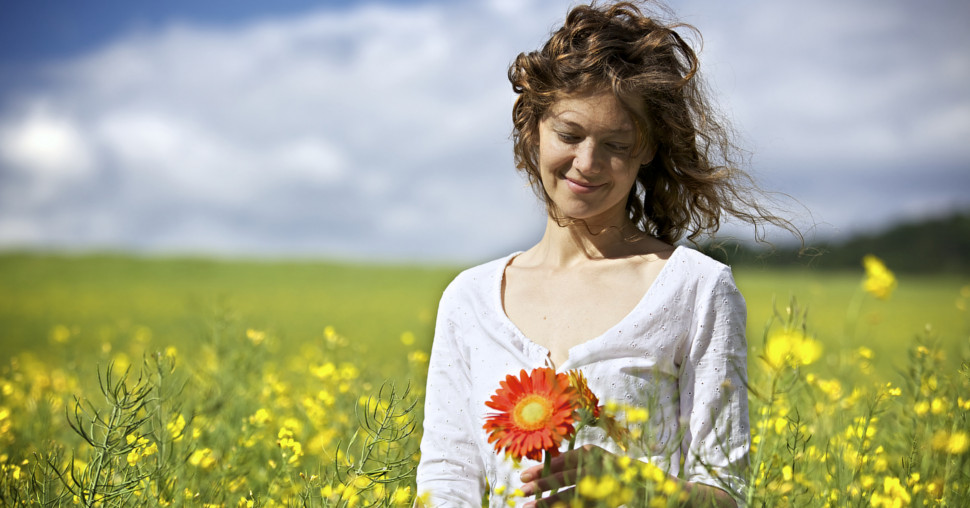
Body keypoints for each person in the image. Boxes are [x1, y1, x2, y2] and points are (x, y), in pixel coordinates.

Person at [416, 2, 793, 506]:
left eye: (616, 144)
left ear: (648, 148)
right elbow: (445, 481)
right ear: (533, 129)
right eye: (569, 135)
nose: (587, 164)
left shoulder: (697, 288)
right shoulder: (469, 299)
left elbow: (727, 493)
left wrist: (638, 489)